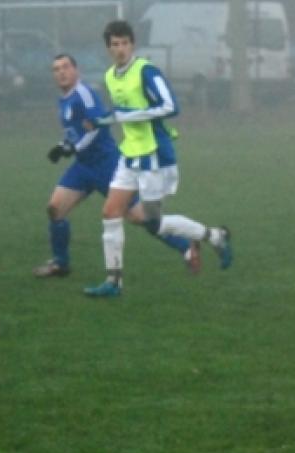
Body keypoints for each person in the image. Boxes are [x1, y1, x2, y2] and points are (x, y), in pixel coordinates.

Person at [83, 20, 232, 298]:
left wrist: (122, 115)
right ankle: (113, 282)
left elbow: (170, 106)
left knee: (152, 222)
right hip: (129, 153)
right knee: (110, 212)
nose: (120, 49)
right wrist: (102, 120)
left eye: (124, 43)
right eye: (114, 44)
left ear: (133, 44)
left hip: (154, 154)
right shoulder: (110, 76)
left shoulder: (146, 71)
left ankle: (214, 236)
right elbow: (119, 112)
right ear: (108, 47)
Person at [34, 53, 199, 278]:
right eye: (56, 69)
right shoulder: (64, 99)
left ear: (76, 70)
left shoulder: (84, 94)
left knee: (140, 217)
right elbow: (76, 133)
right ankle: (61, 264)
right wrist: (63, 145)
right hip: (83, 167)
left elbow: (98, 127)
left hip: (106, 165)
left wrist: (73, 148)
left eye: (65, 67)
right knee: (55, 209)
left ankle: (187, 247)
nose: (61, 72)